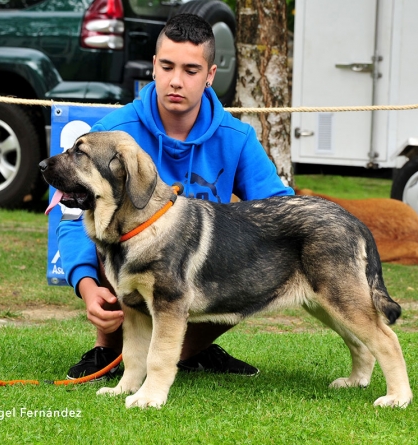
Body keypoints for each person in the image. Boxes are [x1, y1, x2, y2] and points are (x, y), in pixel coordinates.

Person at [56, 13, 294, 380]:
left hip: (196, 284)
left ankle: (192, 349)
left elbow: (281, 211)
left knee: (223, 264)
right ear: (153, 66)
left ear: (211, 75)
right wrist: (86, 287)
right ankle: (107, 347)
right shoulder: (110, 136)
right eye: (167, 66)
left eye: (191, 70)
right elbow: (73, 216)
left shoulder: (238, 137)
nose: (176, 81)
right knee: (117, 239)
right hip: (126, 281)